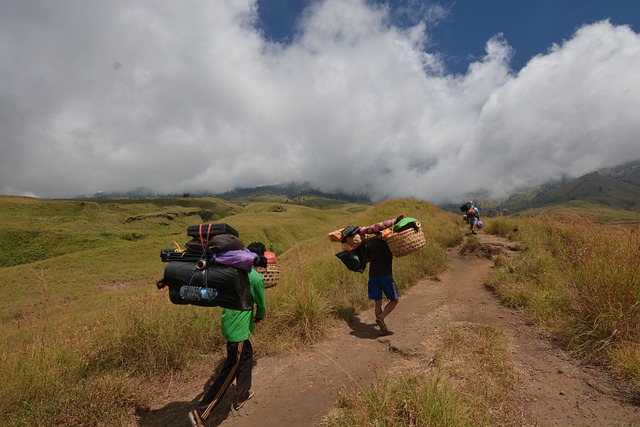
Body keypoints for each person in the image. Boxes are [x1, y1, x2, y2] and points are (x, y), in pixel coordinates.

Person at [188, 242, 267, 427]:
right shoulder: (255, 277)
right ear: (258, 258)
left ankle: (242, 395)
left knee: (246, 356)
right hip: (238, 329)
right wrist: (259, 316)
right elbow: (261, 304)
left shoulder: (232, 271)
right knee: (230, 368)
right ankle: (201, 413)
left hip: (229, 322)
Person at [364, 238, 398, 336]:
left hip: (373, 276)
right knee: (394, 300)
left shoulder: (370, 243)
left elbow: (366, 260)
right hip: (385, 275)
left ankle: (382, 330)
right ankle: (381, 317)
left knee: (377, 302)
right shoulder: (389, 242)